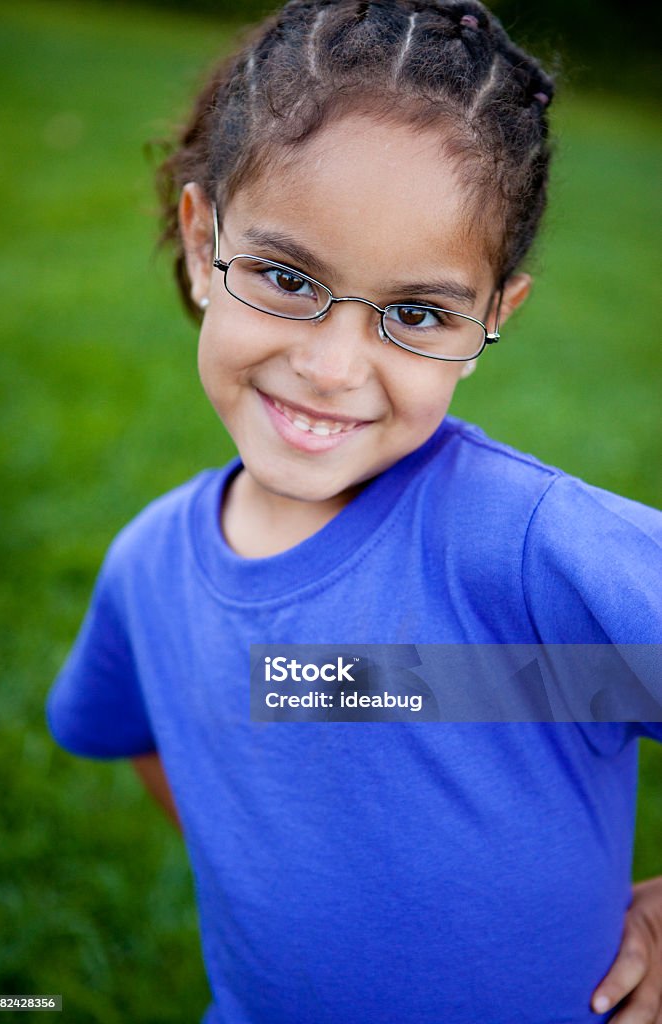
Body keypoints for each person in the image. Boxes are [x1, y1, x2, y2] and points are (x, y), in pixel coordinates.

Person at [45, 1, 662, 1021]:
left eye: (416, 313)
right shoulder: (149, 565)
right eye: (287, 279)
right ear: (205, 245)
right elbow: (149, 732)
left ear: (490, 318)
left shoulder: (526, 553)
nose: (332, 368)